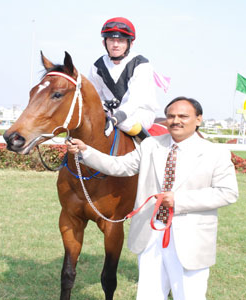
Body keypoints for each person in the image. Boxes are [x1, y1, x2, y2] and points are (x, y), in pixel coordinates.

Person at [66, 97, 238, 300]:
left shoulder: (214, 152)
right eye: (171, 116)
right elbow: (120, 165)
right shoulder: (150, 145)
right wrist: (86, 151)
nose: (176, 121)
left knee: (189, 295)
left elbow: (228, 192)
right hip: (150, 234)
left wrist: (180, 201)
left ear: (198, 119)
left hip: (190, 238)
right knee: (149, 295)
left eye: (183, 116)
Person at [88, 17, 160, 140]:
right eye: (111, 40)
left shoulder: (141, 64)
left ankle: (150, 150)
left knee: (123, 123)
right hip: (110, 113)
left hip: (140, 112)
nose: (115, 45)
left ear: (130, 43)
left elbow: (134, 101)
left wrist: (116, 119)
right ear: (104, 42)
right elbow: (94, 96)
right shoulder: (97, 66)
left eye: (121, 40)